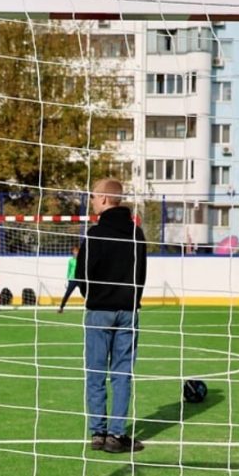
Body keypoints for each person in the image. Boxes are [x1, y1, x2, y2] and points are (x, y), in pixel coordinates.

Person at [74, 178, 147, 454]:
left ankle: (98, 432)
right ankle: (116, 434)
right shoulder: (136, 233)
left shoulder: (94, 235)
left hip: (99, 312)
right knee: (122, 374)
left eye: (93, 196)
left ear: (105, 199)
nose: (91, 201)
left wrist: (95, 298)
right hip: (128, 311)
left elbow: (81, 276)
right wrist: (130, 300)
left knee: (95, 372)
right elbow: (141, 274)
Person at [57, 245, 81, 313]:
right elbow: (69, 270)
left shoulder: (81, 260)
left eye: (77, 251)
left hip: (80, 279)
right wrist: (67, 280)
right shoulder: (71, 260)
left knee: (85, 293)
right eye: (74, 251)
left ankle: (91, 307)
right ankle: (61, 308)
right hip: (72, 279)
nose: (76, 252)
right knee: (67, 294)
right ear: (72, 252)